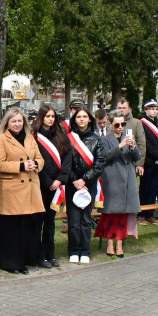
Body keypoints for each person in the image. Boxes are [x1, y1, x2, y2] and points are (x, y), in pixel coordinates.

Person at [0, 108, 44, 274]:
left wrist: (35, 164)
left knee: (26, 227)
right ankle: (9, 262)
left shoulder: (30, 138)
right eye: (13, 121)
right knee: (11, 229)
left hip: (30, 188)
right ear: (7, 123)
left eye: (20, 121)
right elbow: (0, 164)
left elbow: (40, 158)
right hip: (11, 190)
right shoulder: (1, 139)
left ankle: (24, 261)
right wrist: (22, 166)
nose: (17, 124)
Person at [95, 111, 140, 258]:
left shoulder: (128, 137)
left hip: (128, 179)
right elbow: (104, 157)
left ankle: (119, 243)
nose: (120, 127)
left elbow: (137, 157)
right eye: (117, 124)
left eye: (123, 124)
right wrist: (120, 146)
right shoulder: (104, 139)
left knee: (123, 213)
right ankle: (110, 243)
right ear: (110, 124)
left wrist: (132, 147)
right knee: (110, 213)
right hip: (112, 179)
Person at [32, 104, 71, 267]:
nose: (50, 119)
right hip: (40, 184)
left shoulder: (61, 136)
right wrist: (47, 181)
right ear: (41, 118)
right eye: (47, 116)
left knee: (50, 221)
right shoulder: (34, 137)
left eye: (53, 116)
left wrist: (60, 180)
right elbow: (34, 159)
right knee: (38, 221)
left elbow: (67, 158)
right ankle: (39, 256)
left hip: (57, 185)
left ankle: (50, 253)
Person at [65, 107, 104, 263]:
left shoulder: (97, 139)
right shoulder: (68, 139)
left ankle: (85, 251)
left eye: (84, 116)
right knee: (73, 220)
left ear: (89, 119)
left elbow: (100, 163)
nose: (81, 119)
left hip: (89, 184)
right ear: (74, 119)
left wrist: (85, 180)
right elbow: (65, 163)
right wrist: (75, 180)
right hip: (72, 184)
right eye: (78, 116)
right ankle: (74, 250)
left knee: (86, 220)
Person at [137, 99, 158, 225]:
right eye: (152, 108)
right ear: (146, 110)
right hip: (148, 160)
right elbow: (144, 143)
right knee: (145, 187)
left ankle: (150, 213)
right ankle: (141, 213)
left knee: (154, 188)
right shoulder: (142, 123)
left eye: (156, 109)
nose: (154, 111)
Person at [114, 98, 146, 177]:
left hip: (130, 163)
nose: (121, 110)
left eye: (124, 108)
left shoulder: (136, 123)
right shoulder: (110, 123)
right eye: (119, 108)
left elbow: (141, 143)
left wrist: (139, 163)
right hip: (114, 163)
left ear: (129, 109)